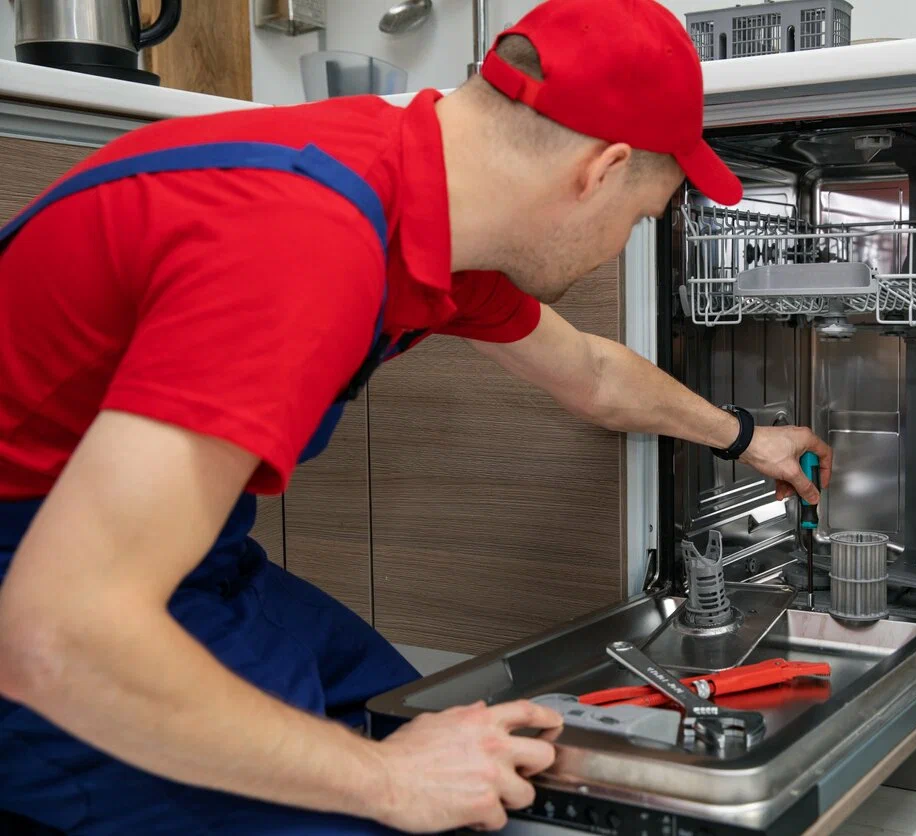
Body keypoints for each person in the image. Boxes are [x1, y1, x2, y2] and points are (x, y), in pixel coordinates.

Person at [0, 0, 833, 832]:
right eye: (640, 219)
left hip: (175, 557)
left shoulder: (419, 201)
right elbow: (57, 636)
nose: (623, 243)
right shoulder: (302, 236)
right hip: (48, 596)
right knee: (385, 798)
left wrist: (747, 439)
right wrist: (390, 781)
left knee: (413, 715)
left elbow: (591, 373)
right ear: (601, 171)